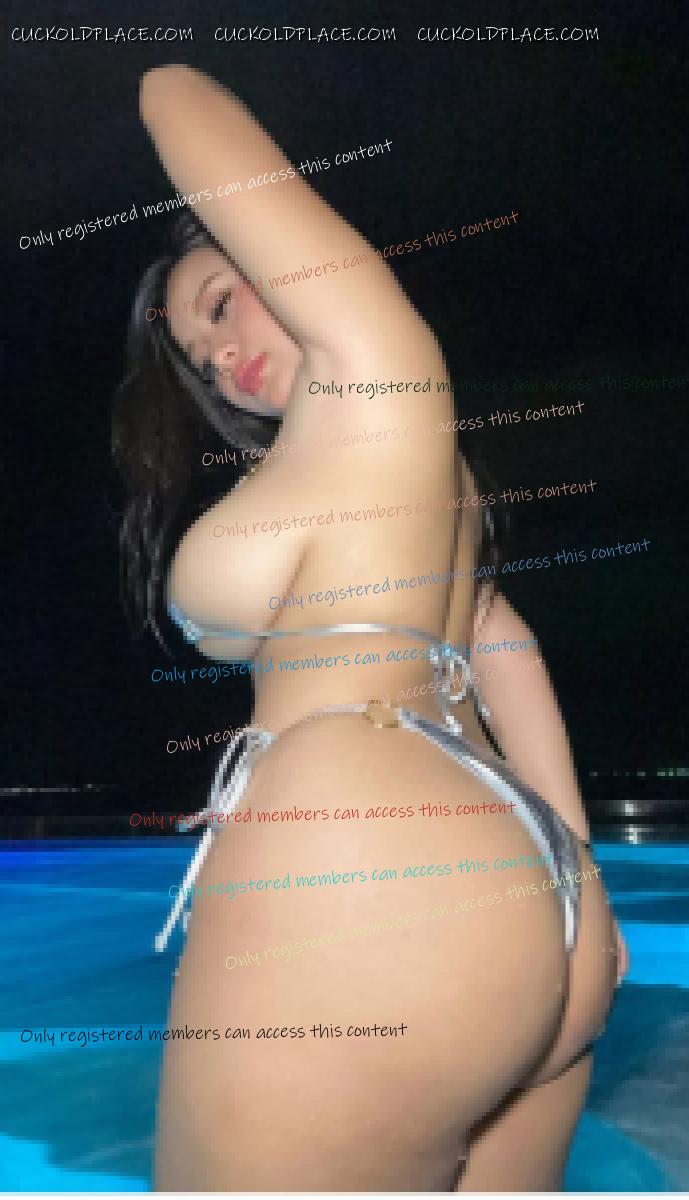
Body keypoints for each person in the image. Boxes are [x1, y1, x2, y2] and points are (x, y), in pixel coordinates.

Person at [113, 64, 626, 1192]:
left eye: (220, 304)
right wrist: (578, 878)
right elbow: (499, 641)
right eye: (200, 360)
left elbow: (170, 90)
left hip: (367, 868)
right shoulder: (417, 472)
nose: (220, 359)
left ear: (286, 252)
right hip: (515, 887)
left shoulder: (373, 368)